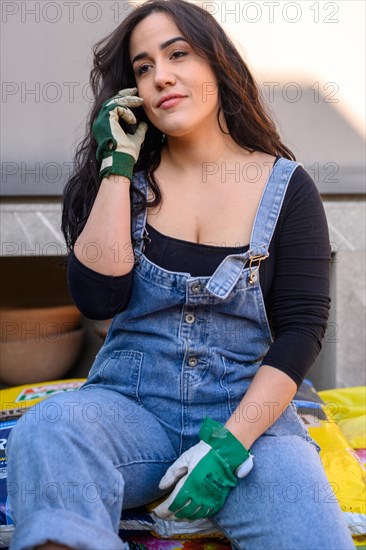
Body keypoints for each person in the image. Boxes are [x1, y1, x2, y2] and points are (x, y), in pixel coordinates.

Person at [6, 1, 355, 549]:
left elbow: (301, 329)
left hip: (248, 423)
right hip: (128, 409)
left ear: (217, 64)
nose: (160, 75)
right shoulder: (124, 179)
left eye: (178, 54)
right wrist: (116, 168)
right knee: (49, 428)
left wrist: (229, 447)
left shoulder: (288, 187)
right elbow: (99, 298)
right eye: (143, 67)